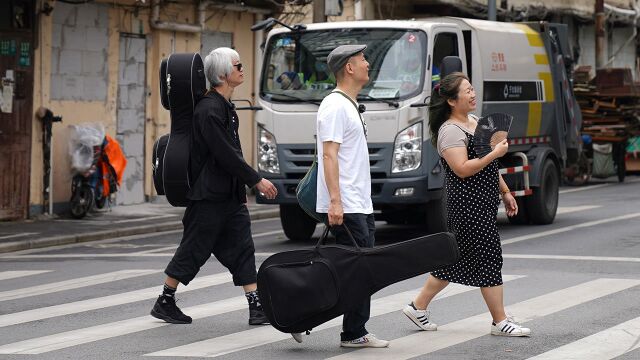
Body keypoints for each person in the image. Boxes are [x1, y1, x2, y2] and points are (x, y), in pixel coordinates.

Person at [150, 47, 278, 326]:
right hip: (208, 196)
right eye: (237, 65)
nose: (242, 69)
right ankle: (165, 300)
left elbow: (231, 154)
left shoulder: (224, 107)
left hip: (228, 196)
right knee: (193, 249)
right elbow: (225, 153)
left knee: (243, 247)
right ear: (222, 74)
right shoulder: (208, 110)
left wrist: (240, 191)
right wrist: (255, 179)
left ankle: (256, 307)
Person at [401, 72, 531, 337]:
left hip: (482, 203)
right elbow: (461, 169)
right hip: (466, 206)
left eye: (472, 89)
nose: (473, 94)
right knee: (489, 258)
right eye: (467, 90)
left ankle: (418, 307)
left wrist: (505, 191)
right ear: (451, 100)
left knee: (454, 259)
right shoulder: (450, 131)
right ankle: (499, 321)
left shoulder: (474, 122)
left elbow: (488, 165)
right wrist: (495, 152)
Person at [291, 45, 390, 348]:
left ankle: (351, 330)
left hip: (358, 203)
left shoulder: (349, 105)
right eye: (362, 59)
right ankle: (316, 321)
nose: (368, 63)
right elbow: (329, 156)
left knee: (355, 271)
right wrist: (336, 202)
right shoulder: (334, 106)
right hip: (347, 205)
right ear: (349, 68)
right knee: (355, 271)